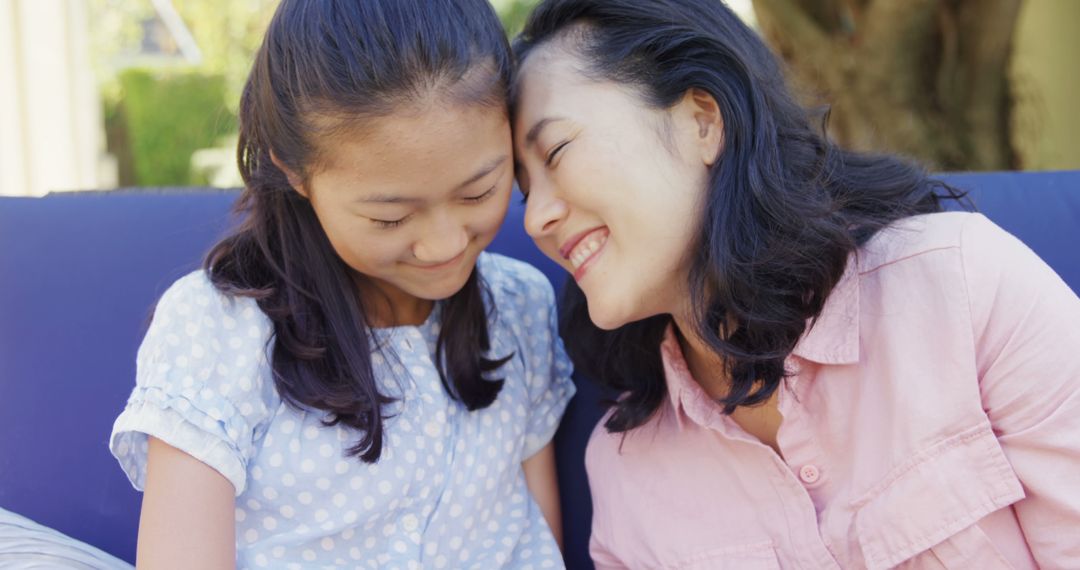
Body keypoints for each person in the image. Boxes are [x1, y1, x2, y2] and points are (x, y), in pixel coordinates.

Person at [510, 1, 1080, 568]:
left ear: (702, 120)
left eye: (557, 151)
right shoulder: (624, 466)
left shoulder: (962, 285)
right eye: (523, 190)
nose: (536, 219)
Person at [109, 1, 575, 567]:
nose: (445, 244)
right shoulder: (219, 329)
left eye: (478, 193)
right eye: (390, 218)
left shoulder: (520, 305)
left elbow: (539, 541)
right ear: (294, 171)